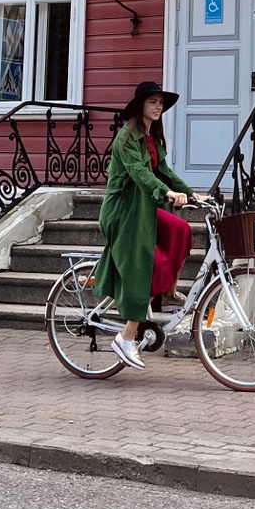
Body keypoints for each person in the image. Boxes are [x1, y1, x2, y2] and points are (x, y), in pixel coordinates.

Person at [94, 80, 199, 370]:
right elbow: (141, 175)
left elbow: (163, 172)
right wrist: (166, 193)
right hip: (124, 210)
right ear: (140, 104)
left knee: (181, 230)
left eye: (161, 103)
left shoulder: (152, 138)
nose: (158, 107)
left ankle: (167, 290)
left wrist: (191, 193)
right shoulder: (127, 138)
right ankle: (126, 338)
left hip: (144, 205)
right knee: (147, 265)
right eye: (153, 101)